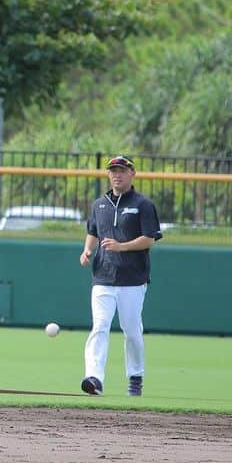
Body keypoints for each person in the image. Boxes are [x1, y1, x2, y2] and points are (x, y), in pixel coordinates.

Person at [79, 155, 163, 397]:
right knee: (100, 326)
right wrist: (87, 250)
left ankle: (135, 377)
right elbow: (93, 231)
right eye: (113, 170)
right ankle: (94, 378)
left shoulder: (143, 204)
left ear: (132, 173)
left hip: (133, 279)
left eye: (121, 170)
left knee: (132, 330)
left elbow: (149, 239)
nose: (117, 174)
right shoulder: (99, 204)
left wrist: (121, 246)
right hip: (103, 277)